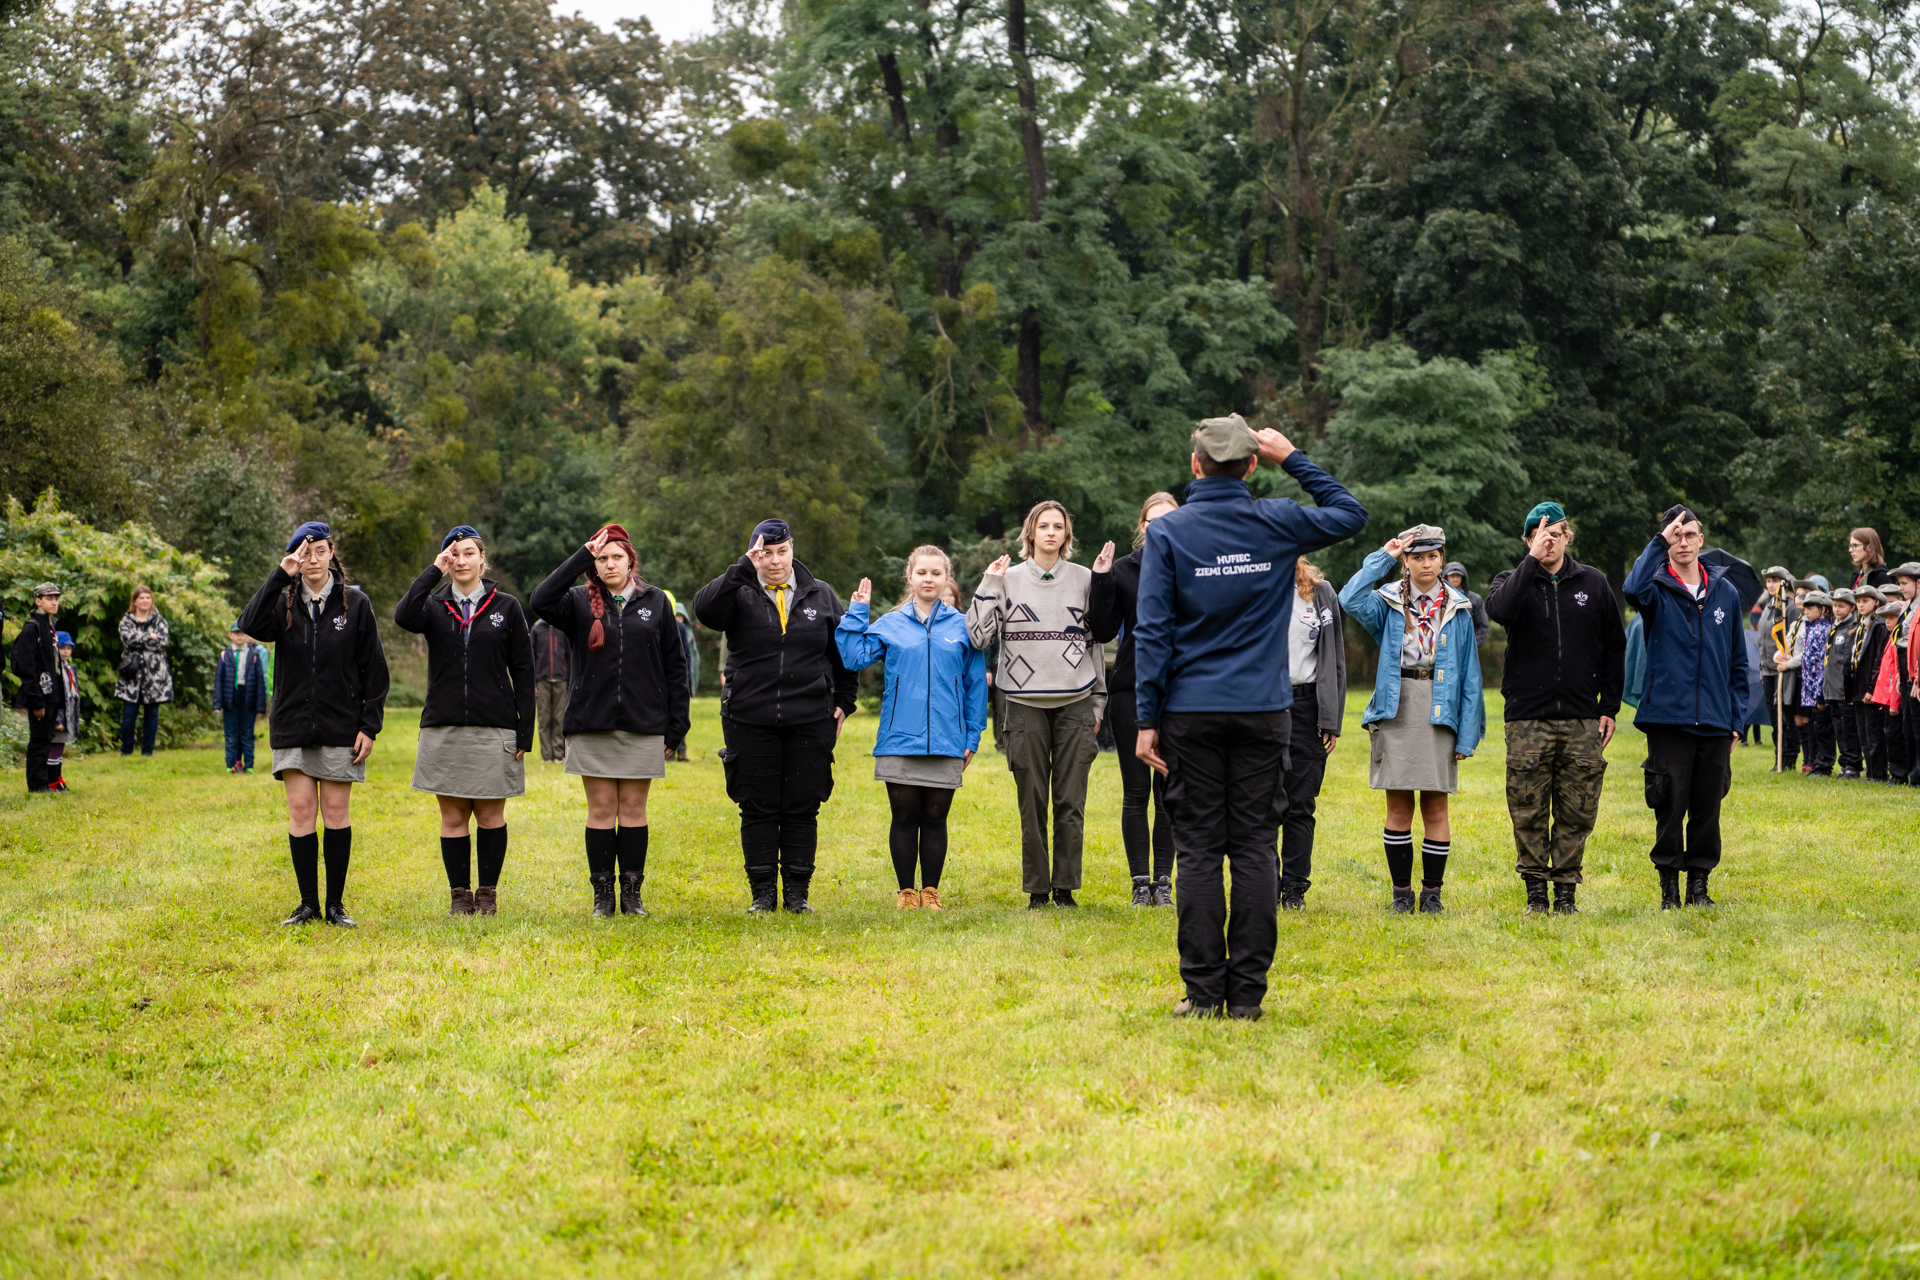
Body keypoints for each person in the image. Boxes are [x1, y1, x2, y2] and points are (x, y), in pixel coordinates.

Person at [1135, 415, 1366, 1020]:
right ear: (1252, 465)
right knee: (1259, 848)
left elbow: (1154, 630)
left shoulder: (1169, 533)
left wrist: (1145, 718)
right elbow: (1350, 513)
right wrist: (1294, 456)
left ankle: (1206, 994)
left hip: (1189, 711)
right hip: (1266, 711)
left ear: (1194, 467)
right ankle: (1247, 999)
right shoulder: (1277, 521)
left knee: (1201, 851)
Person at [694, 518, 855, 915]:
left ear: (792, 549)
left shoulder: (821, 595)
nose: (776, 560)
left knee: (803, 805)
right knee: (758, 805)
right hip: (749, 716)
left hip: (810, 715)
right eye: (766, 553)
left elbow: (844, 654)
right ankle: (762, 894)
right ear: (755, 555)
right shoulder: (739, 592)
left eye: (782, 551)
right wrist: (740, 569)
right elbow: (705, 610)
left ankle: (798, 895)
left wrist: (845, 701)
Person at [237, 522, 390, 927]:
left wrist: (368, 726)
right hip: (293, 725)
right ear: (296, 560)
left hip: (342, 727)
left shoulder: (355, 603)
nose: (313, 560)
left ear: (331, 552)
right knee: (301, 811)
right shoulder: (283, 602)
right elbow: (249, 623)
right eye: (304, 555)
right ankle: (307, 904)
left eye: (319, 551)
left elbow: (374, 669)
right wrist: (279, 574)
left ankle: (336, 906)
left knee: (336, 813)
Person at [533, 524, 689, 918]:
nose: (609, 564)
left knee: (634, 810)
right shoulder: (577, 602)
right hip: (592, 723)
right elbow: (540, 599)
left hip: (643, 723)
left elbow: (675, 666)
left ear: (631, 560)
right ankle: (603, 895)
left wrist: (676, 726)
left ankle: (632, 894)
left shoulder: (655, 602)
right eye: (602, 559)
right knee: (601, 810)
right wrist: (582, 555)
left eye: (616, 556)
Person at [1485, 502, 1625, 916]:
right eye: (1540, 534)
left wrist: (1610, 706)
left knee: (1578, 807)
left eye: (1557, 533)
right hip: (1528, 716)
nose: (1550, 540)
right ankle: (1535, 894)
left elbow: (1615, 647)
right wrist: (1531, 561)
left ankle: (1565, 893)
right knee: (1527, 806)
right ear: (1528, 540)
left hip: (1582, 716)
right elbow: (1498, 612)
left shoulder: (1594, 583)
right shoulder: (1511, 581)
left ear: (1568, 537)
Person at [967, 501, 1107, 909]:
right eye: (1042, 526)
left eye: (1058, 526)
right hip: (1023, 703)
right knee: (1032, 800)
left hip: (1076, 702)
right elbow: (978, 638)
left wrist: (1097, 703)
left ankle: (1065, 889)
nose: (1050, 532)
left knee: (1071, 801)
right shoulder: (1005, 580)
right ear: (1030, 533)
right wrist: (988, 584)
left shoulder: (1084, 579)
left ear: (1067, 534)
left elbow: (1095, 644)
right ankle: (1037, 891)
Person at [1341, 525, 1486, 915]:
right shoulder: (1387, 601)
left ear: (1442, 558)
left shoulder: (1458, 606)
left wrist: (1467, 734)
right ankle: (1401, 894)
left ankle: (1432, 894)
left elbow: (1471, 673)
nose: (1426, 563)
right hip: (1397, 704)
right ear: (1406, 561)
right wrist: (1383, 556)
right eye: (1417, 556)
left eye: (1433, 556)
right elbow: (1348, 597)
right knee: (1399, 804)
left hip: (1440, 708)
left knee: (1436, 806)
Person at [837, 547, 988, 911]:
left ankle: (931, 891)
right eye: (922, 572)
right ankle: (906, 892)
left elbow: (974, 686)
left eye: (936, 573)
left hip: (948, 738)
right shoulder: (891, 623)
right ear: (910, 577)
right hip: (899, 737)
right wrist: (858, 611)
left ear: (945, 578)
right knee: (904, 816)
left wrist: (972, 735)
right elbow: (853, 656)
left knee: (936, 817)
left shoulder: (961, 626)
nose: (928, 579)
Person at [396, 526, 537, 917]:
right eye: (452, 554)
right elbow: (403, 615)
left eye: (468, 553)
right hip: (444, 727)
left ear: (482, 559)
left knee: (491, 816)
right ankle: (460, 896)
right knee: (453, 816)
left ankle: (487, 895)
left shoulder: (507, 607)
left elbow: (524, 672)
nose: (460, 560)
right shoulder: (432, 605)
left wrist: (525, 728)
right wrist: (432, 572)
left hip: (495, 727)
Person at [1621, 505, 1749, 909]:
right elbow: (1630, 589)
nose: (1683, 542)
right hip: (1668, 717)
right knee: (1669, 804)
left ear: (1701, 540)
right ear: (1666, 541)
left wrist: (1736, 719)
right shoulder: (1655, 587)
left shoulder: (1725, 593)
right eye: (1675, 535)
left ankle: (1699, 886)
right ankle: (1669, 888)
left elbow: (1737, 663)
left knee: (1707, 808)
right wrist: (1658, 542)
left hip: (1714, 719)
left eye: (1689, 534)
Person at [1088, 492, 1180, 907]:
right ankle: (1139, 883)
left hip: (1183, 690)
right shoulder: (1124, 570)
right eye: (1152, 521)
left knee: (1172, 789)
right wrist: (1103, 580)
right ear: (1141, 526)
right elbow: (1104, 630)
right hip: (1131, 689)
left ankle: (1164, 882)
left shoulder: (1195, 566)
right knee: (1136, 790)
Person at [1272, 556, 1346, 911]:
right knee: (1261, 803)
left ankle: (1295, 888)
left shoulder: (1320, 593)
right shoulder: (1250, 587)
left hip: (1306, 707)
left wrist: (1330, 718)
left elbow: (1334, 658)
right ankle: (1265, 884)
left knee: (1301, 803)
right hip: (1263, 706)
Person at [10, 583, 63, 795]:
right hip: (39, 694)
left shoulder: (50, 627)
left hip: (51, 693)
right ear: (38, 600)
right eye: (49, 598)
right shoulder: (32, 628)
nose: (54, 602)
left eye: (56, 598)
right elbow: (25, 666)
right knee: (39, 740)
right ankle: (37, 785)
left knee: (47, 738)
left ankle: (48, 782)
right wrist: (36, 699)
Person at [1776, 590, 1834, 775]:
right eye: (1805, 608)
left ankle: (1821, 763)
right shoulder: (1809, 626)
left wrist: (1819, 691)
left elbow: (1819, 661)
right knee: (1811, 724)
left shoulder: (1823, 629)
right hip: (1808, 684)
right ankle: (1812, 761)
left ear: (1823, 609)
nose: (1806, 612)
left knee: (1820, 727)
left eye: (1810, 608)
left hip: (1817, 685)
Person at [115, 585, 173, 756]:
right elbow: (128, 639)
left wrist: (140, 637)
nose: (145, 601)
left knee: (152, 716)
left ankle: (147, 751)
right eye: (141, 598)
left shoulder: (160, 621)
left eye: (148, 597)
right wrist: (150, 636)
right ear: (134, 601)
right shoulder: (126, 621)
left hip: (154, 675)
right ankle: (126, 751)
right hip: (130, 675)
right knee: (128, 715)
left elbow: (162, 642)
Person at [1756, 567, 1799, 771]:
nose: (1771, 584)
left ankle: (1788, 758)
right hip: (1768, 671)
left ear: (1785, 583)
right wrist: (1762, 667)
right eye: (1769, 580)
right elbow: (1763, 640)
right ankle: (1778, 756)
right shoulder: (1769, 607)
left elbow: (1794, 639)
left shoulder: (1789, 609)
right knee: (1774, 718)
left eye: (1775, 580)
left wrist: (1787, 660)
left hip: (1783, 671)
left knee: (1785, 717)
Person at [1847, 585, 1892, 780]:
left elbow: (1877, 660)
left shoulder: (1879, 625)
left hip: (1870, 688)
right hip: (1858, 686)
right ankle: (1871, 773)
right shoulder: (1860, 626)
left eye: (1865, 601)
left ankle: (1879, 773)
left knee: (1874, 733)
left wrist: (1871, 688)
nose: (1861, 604)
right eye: (1858, 601)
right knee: (1863, 733)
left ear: (1876, 603)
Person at [213, 624, 270, 774]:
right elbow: (219, 680)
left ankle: (249, 765)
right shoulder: (225, 655)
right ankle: (230, 765)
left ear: (247, 636)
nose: (239, 637)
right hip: (230, 697)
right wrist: (217, 704)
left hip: (248, 697)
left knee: (247, 732)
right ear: (230, 635)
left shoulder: (254, 655)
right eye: (236, 633)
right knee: (231, 733)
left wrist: (260, 705)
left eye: (242, 633)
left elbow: (259, 681)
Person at [1824, 590, 1863, 776]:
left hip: (1844, 689)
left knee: (1849, 728)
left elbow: (1849, 661)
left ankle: (1853, 765)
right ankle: (1844, 763)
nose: (1837, 609)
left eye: (1841, 606)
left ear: (1851, 608)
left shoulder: (1852, 629)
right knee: (1839, 729)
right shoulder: (1834, 627)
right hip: (1831, 688)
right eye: (1835, 605)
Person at [531, 617, 571, 763]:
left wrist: (570, 681)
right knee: (544, 719)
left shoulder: (562, 629)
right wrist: (533, 684)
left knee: (559, 719)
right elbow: (531, 658)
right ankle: (547, 756)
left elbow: (569, 656)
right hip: (542, 681)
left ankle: (559, 755)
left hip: (561, 680)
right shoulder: (536, 629)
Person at [46, 631, 80, 793]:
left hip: (68, 715)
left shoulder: (68, 668)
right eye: (62, 648)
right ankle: (52, 780)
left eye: (68, 648)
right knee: (54, 747)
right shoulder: (56, 671)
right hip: (58, 715)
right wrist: (57, 720)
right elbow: (57, 697)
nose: (65, 651)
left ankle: (57, 778)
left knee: (59, 747)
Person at [670, 600, 699, 761]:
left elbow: (686, 654)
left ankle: (681, 750)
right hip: (662, 680)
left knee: (680, 715)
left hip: (679, 679)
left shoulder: (680, 628)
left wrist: (686, 677)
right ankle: (670, 752)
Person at [1443, 561, 1491, 650]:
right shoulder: (1439, 599)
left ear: (1463, 578)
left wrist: (1472, 646)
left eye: (1458, 576)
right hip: (1443, 649)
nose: (1455, 579)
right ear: (1446, 577)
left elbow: (1483, 626)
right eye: (1452, 575)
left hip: (1467, 650)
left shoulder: (1474, 600)